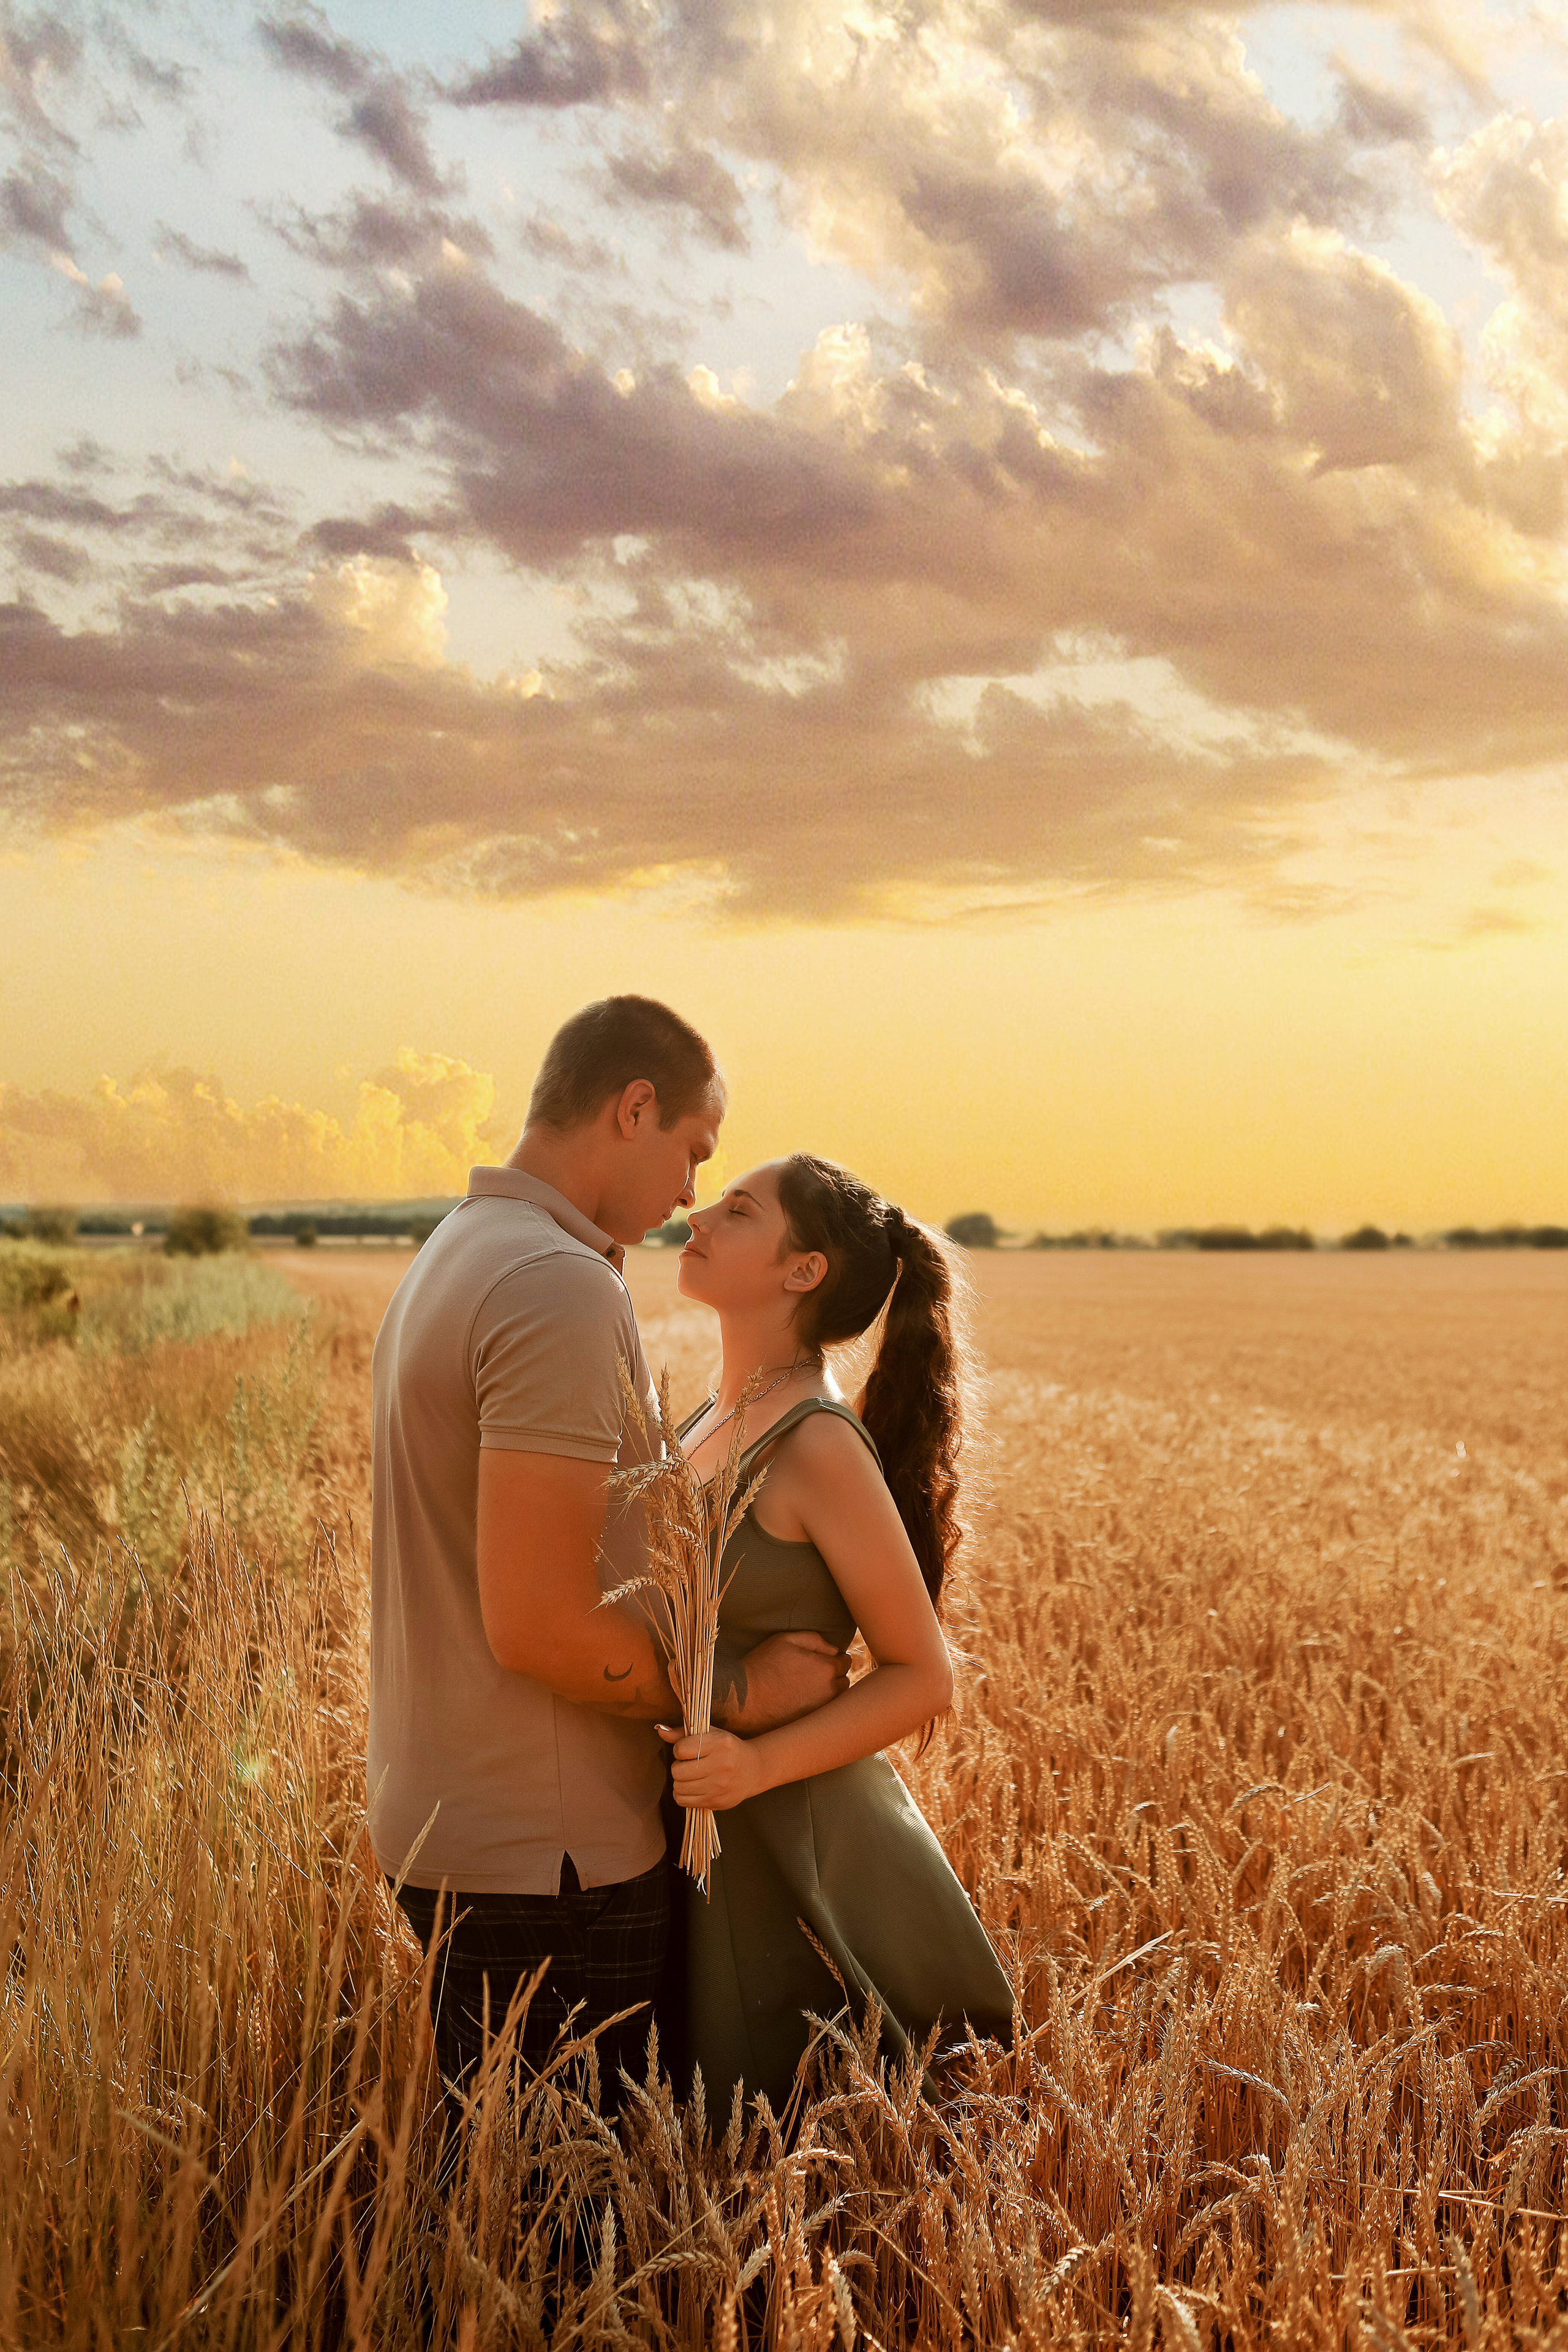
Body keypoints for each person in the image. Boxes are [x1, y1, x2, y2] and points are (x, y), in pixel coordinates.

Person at [368, 998, 850, 2111]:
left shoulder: (459, 1246)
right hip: (549, 1858)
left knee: (500, 2215)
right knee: (570, 2249)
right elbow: (538, 1621)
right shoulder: (555, 1286)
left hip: (451, 1816)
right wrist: (740, 1689)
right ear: (635, 1108)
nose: (690, 1193)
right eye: (693, 1151)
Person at [662, 1153, 1014, 2116]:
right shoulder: (707, 1417)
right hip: (705, 1827)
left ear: (802, 1270)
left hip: (790, 1843)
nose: (699, 1216)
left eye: (737, 1211)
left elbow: (921, 1678)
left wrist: (752, 1769)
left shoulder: (817, 1444)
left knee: (787, 2145)